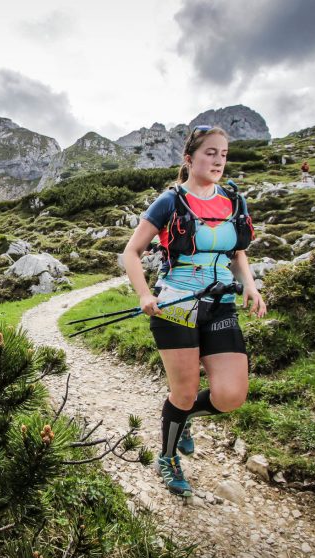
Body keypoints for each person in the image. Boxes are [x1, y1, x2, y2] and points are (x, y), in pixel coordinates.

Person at [122, 125, 267, 497]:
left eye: (223, 153)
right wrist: (143, 295)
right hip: (175, 305)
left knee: (230, 395)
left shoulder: (233, 200)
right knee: (184, 392)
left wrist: (249, 284)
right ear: (189, 159)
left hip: (221, 303)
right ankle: (167, 456)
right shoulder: (169, 201)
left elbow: (237, 251)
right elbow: (131, 252)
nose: (218, 160)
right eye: (210, 153)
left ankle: (182, 418)